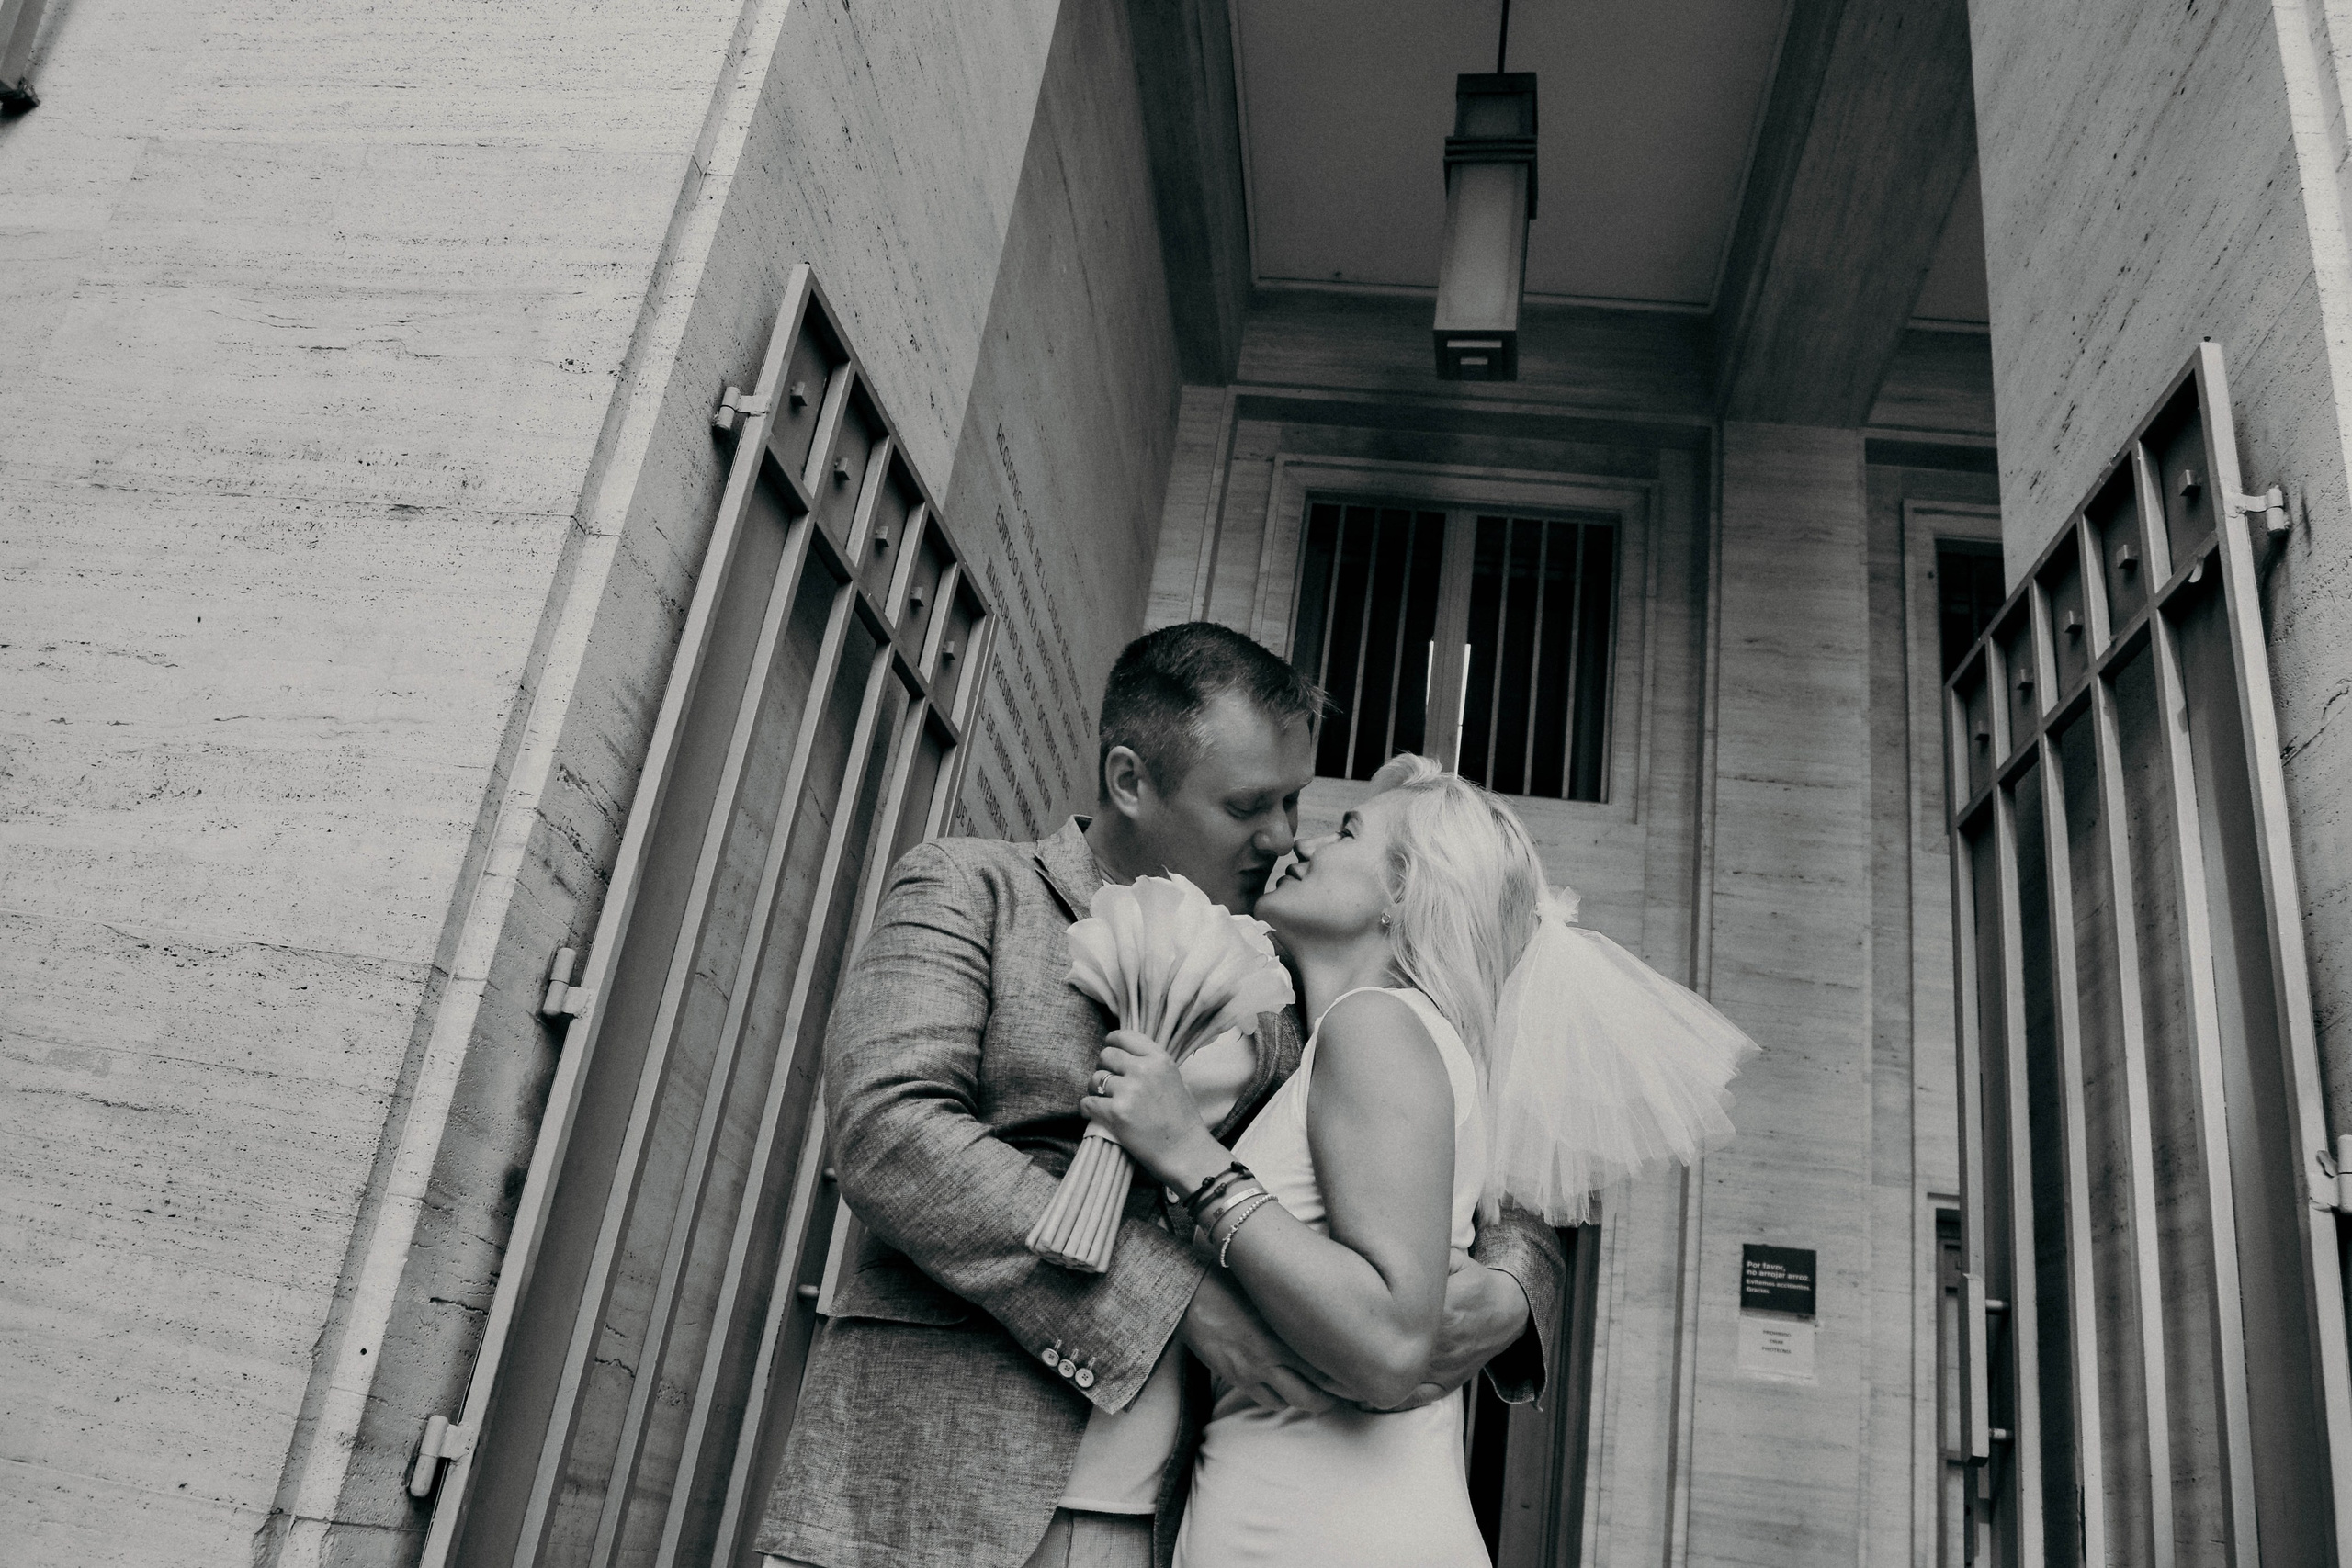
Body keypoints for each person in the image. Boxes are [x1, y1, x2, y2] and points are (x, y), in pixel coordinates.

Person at [755, 623, 1566, 1568]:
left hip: (1170, 1526)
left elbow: (1478, 1172)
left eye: (1296, 801)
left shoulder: (1300, 995)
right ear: (1131, 780)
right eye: (1247, 805)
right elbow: (891, 1138)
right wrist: (1172, 1299)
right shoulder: (971, 889)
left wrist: (1512, 1291)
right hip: (929, 1487)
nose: (1280, 835)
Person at [1084, 753, 1755, 1565]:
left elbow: (1391, 1344)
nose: (1302, 842)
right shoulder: (1377, 1039)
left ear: (1402, 894)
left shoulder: (1376, 1028)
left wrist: (1193, 1158)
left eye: (1347, 831)